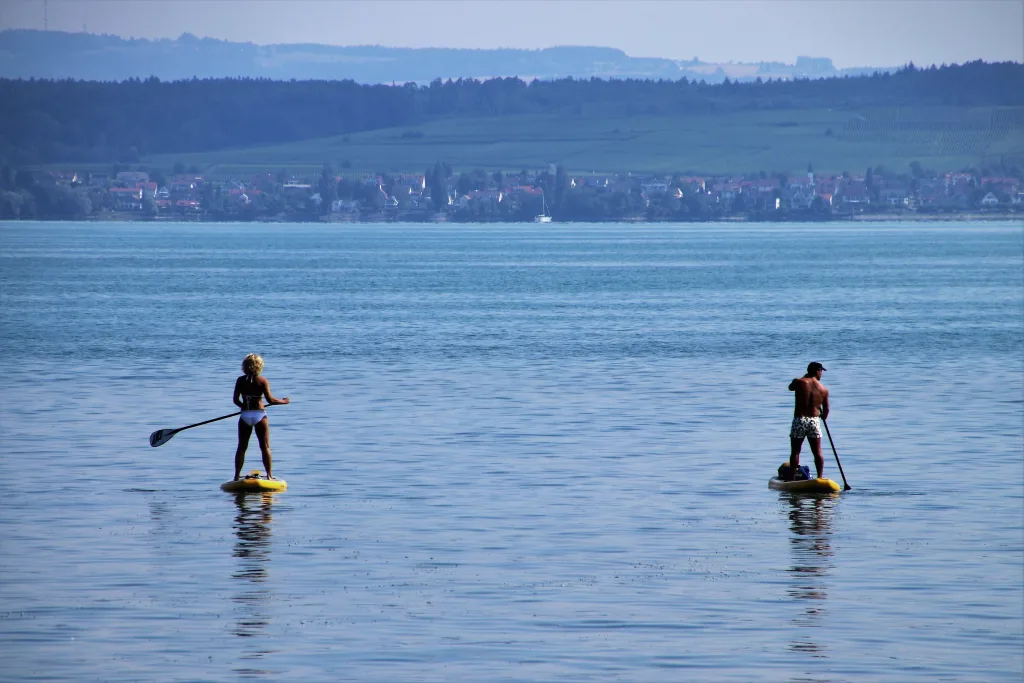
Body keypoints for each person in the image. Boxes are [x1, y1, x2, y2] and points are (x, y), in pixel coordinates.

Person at [233, 353, 289, 480]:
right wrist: (283, 401)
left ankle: (236, 476)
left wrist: (243, 406)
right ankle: (269, 476)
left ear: (245, 366)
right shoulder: (262, 381)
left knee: (242, 447)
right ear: (259, 366)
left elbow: (235, 400)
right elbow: (270, 400)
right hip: (259, 415)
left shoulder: (240, 380)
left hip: (245, 415)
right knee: (265, 447)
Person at [787, 362, 830, 480]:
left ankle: (791, 478)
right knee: (817, 451)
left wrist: (801, 378)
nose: (821, 373)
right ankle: (820, 477)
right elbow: (826, 412)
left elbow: (790, 387)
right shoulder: (823, 389)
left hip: (800, 419)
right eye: (821, 371)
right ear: (817, 371)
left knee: (795, 451)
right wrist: (820, 414)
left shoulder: (800, 382)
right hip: (814, 421)